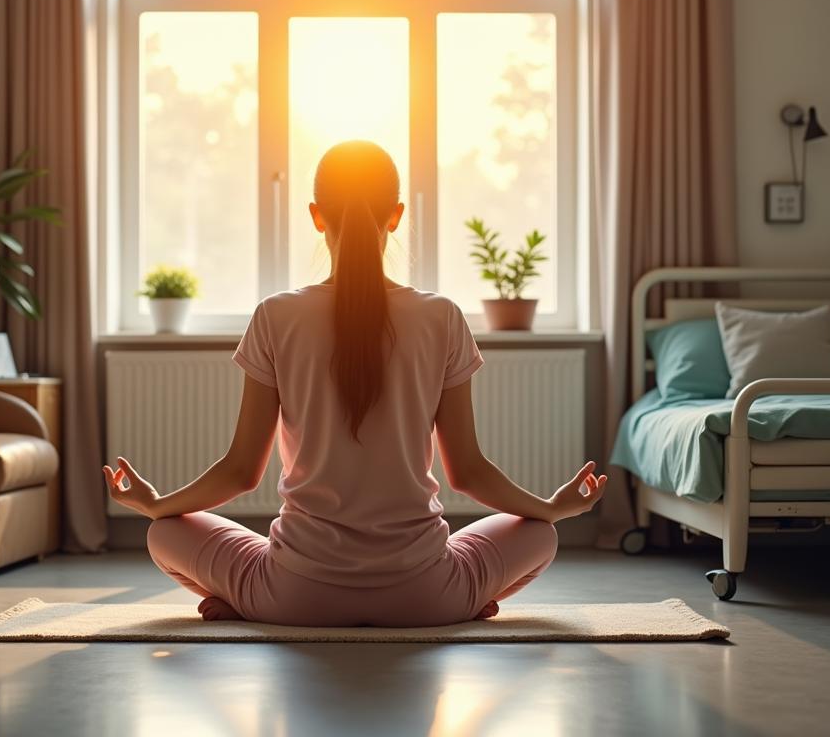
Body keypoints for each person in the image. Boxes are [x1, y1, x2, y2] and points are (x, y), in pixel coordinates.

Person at [103, 140, 606, 627]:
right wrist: (549, 508)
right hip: (427, 594)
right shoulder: (442, 316)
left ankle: (250, 604)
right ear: (397, 214)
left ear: (316, 215)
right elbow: (468, 474)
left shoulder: (276, 315)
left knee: (163, 533)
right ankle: (460, 605)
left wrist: (157, 505)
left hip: (293, 593)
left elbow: (241, 473)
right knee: (541, 536)